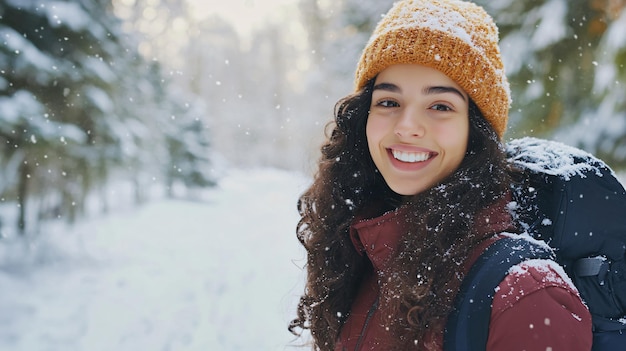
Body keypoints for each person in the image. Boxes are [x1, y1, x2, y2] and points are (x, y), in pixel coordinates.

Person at [288, 0, 593, 350]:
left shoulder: (523, 293)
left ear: (474, 132)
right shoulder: (360, 250)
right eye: (389, 102)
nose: (407, 127)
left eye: (440, 106)